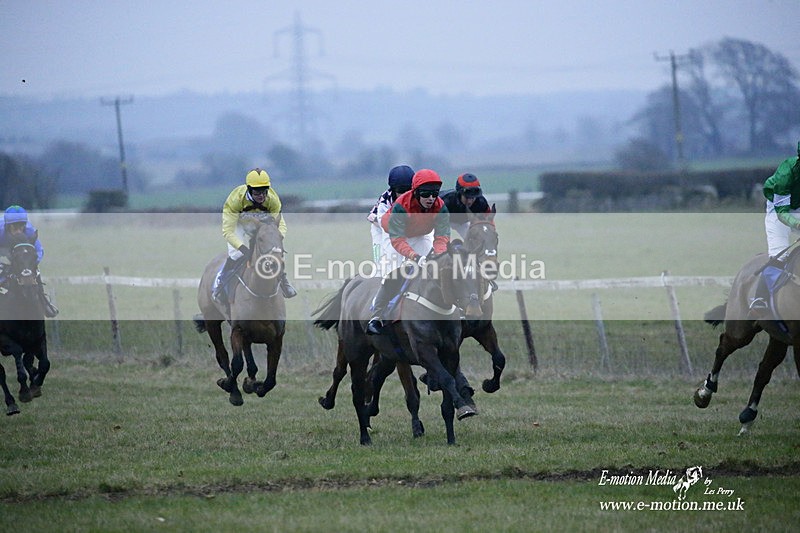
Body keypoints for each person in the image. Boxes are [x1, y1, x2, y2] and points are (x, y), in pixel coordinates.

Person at [366, 169, 450, 335]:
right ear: (416, 192)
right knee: (393, 272)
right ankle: (376, 316)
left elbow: (442, 238)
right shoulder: (400, 206)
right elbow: (397, 240)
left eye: (435, 194)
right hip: (392, 233)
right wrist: (414, 256)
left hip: (420, 233)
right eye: (426, 194)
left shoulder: (440, 207)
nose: (431, 198)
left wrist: (438, 255)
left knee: (438, 265)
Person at [213, 168, 297, 306]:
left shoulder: (273, 199)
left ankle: (283, 280)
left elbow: (280, 224)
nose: (261, 195)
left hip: (261, 225)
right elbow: (228, 231)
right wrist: (243, 248)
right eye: (257, 191)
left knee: (275, 252)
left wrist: (277, 239)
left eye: (264, 190)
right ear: (249, 189)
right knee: (235, 255)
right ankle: (221, 283)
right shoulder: (236, 200)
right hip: (238, 225)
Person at [0, 205, 58, 317]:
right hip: (3, 251)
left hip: (19, 256)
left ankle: (43, 300)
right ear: (7, 227)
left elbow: (39, 251)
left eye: (21, 227)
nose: (18, 231)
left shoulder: (29, 231)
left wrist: (29, 265)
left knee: (34, 271)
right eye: (14, 228)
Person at [367, 165, 414, 276]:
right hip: (381, 228)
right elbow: (386, 226)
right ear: (393, 189)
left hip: (405, 226)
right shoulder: (385, 201)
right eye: (400, 191)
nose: (404, 195)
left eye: (408, 190)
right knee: (383, 263)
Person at [763, 141, 800, 261]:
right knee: (778, 258)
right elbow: (782, 213)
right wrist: (797, 224)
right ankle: (773, 274)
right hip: (779, 209)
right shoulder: (786, 172)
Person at [439, 173, 492, 240]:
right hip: (441, 221)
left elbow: (489, 221)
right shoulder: (445, 201)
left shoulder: (481, 203)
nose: (469, 201)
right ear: (459, 193)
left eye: (473, 198)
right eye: (467, 197)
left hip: (463, 222)